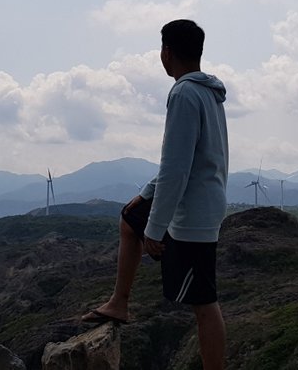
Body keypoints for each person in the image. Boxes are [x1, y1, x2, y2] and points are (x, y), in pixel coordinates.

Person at [82, 19, 229, 370]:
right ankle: (119, 302)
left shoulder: (183, 93)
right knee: (129, 218)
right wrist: (145, 197)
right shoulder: (207, 93)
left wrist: (155, 227)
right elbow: (180, 158)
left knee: (204, 302)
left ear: (166, 52)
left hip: (193, 214)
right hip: (198, 201)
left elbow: (178, 166)